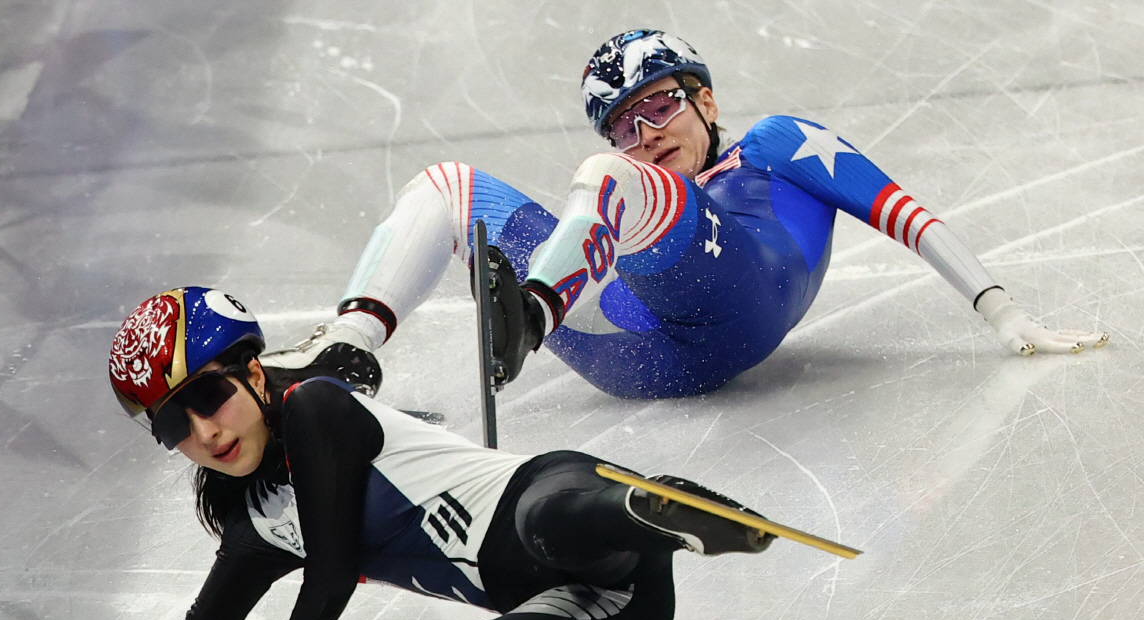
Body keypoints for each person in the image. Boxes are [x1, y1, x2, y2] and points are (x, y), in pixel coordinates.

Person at [11, 286, 782, 620]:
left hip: (554, 502)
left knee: (544, 524)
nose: (204, 431)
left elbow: (336, 567)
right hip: (601, 609)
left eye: (208, 397)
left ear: (252, 372)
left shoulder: (317, 409)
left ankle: (656, 507)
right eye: (175, 425)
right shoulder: (258, 523)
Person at [262, 29, 1108, 399]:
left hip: (731, 306)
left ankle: (532, 309)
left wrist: (1002, 311)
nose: (645, 134)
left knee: (607, 182)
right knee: (448, 183)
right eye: (624, 126)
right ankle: (349, 349)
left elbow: (904, 212)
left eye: (659, 108)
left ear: (705, 98)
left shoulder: (778, 143)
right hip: (622, 346)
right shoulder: (637, 176)